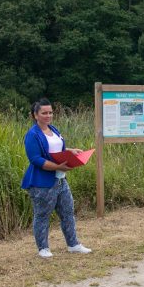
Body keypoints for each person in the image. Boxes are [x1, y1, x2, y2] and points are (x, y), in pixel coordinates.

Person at [21, 98, 92, 258]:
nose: (48, 116)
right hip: (42, 183)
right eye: (44, 113)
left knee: (68, 212)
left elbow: (54, 149)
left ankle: (73, 244)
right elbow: (36, 159)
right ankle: (43, 248)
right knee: (42, 215)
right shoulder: (32, 135)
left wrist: (70, 150)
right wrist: (58, 166)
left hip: (60, 180)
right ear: (35, 115)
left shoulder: (53, 129)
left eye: (50, 112)